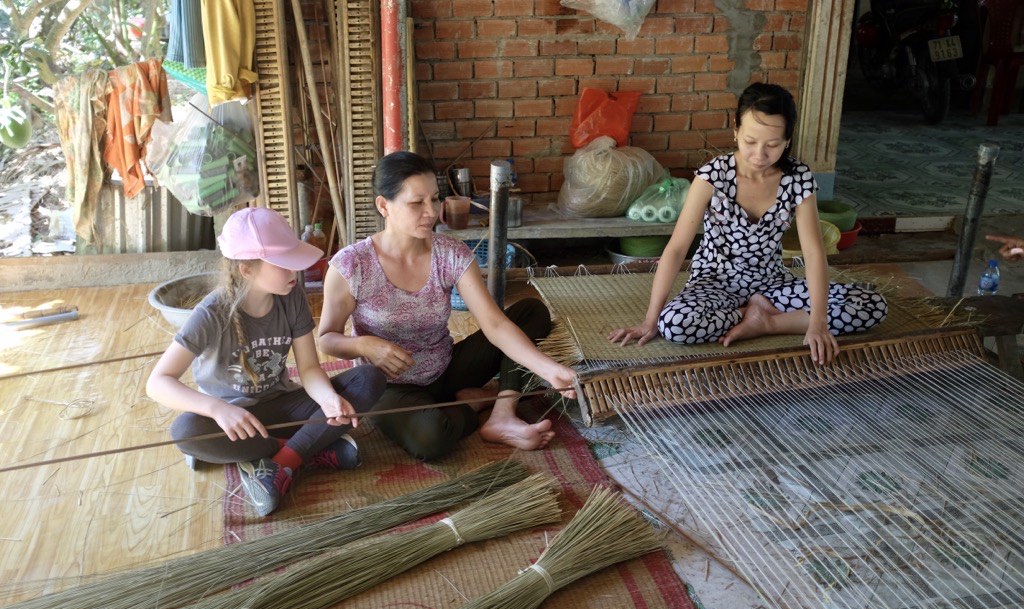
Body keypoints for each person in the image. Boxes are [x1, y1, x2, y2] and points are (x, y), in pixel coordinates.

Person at [317, 151, 577, 461]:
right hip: (391, 388)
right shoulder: (351, 265)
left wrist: (550, 370)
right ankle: (475, 403)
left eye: (435, 199)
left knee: (530, 312)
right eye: (417, 203)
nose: (431, 212)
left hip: (447, 367)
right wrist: (366, 346)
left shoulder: (450, 253)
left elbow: (494, 324)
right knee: (431, 439)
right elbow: (327, 339)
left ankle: (503, 411)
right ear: (384, 206)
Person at [610, 83, 888, 366]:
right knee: (674, 324)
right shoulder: (712, 176)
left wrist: (817, 322)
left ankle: (767, 323)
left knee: (871, 305)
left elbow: (814, 253)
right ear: (735, 130)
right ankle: (754, 316)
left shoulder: (799, 179)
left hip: (771, 286)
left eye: (772, 145)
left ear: (788, 140)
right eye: (750, 141)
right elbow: (677, 249)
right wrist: (649, 320)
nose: (759, 155)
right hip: (714, 283)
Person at [146, 207, 386, 516]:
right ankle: (305, 448)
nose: (294, 272)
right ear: (247, 269)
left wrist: (328, 399)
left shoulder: (292, 297)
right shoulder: (211, 313)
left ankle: (282, 462)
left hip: (281, 404)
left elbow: (310, 369)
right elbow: (158, 382)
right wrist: (218, 409)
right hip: (235, 417)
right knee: (186, 430)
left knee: (368, 379)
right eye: (283, 264)